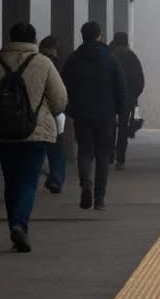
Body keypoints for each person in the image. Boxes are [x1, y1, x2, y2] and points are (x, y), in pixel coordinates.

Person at [0, 21, 67, 253]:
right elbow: (60, 100)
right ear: (34, 40)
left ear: (10, 38)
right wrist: (46, 112)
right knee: (28, 181)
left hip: (2, 134)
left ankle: (14, 224)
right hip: (34, 133)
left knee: (11, 182)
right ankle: (19, 224)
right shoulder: (43, 63)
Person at [62, 21, 126, 211]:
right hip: (106, 114)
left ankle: (86, 183)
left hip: (81, 113)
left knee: (85, 151)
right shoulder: (111, 59)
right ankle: (99, 199)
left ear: (83, 36)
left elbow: (63, 85)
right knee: (103, 156)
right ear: (99, 36)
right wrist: (121, 112)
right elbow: (120, 88)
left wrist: (71, 108)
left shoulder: (74, 59)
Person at [109, 31, 145, 170]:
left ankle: (110, 155)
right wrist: (133, 96)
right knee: (122, 129)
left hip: (112, 99)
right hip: (126, 100)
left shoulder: (109, 57)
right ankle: (120, 159)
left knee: (110, 128)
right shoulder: (132, 58)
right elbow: (140, 82)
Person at [39, 35, 67, 193]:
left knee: (37, 149)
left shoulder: (34, 63)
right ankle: (56, 179)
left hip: (35, 113)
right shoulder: (59, 65)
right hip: (55, 113)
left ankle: (37, 175)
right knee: (57, 149)